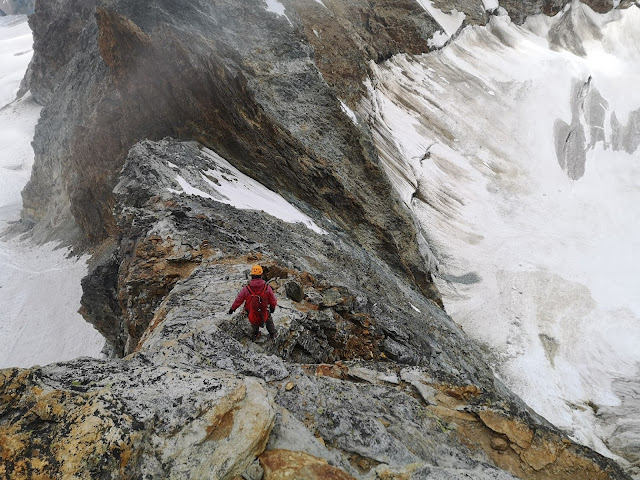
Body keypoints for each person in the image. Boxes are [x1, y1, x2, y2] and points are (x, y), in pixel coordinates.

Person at [228, 265, 277, 341]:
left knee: (254, 322)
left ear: (252, 276)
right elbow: (272, 300)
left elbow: (239, 300)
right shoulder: (267, 287)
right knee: (268, 318)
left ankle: (255, 335)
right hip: (263, 312)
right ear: (261, 275)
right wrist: (272, 307)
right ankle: (273, 334)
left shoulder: (246, 288)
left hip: (251, 312)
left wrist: (232, 309)